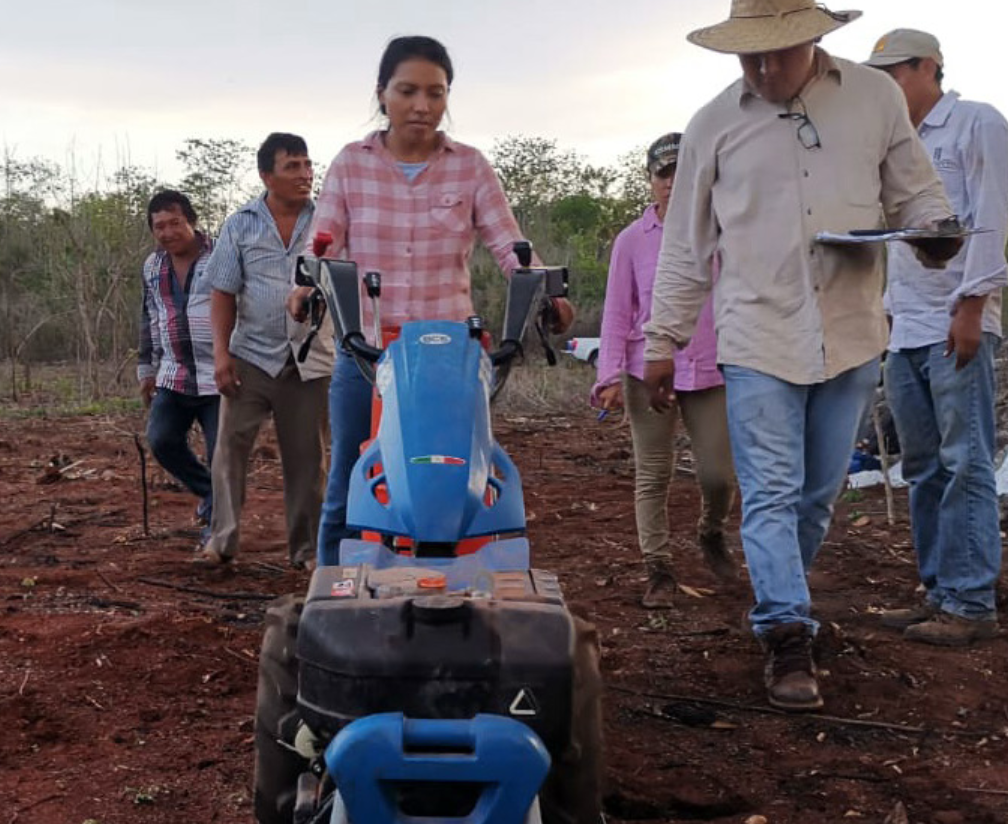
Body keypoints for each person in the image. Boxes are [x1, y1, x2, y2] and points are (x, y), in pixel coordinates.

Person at [643, 0, 961, 711]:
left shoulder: (875, 98)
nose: (761, 67)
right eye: (748, 54)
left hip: (849, 331)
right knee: (771, 493)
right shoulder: (713, 125)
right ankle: (786, 630)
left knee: (817, 497)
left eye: (776, 52)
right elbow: (686, 248)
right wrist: (662, 338)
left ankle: (780, 586)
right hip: (756, 334)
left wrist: (934, 233)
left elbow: (916, 195)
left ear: (814, 39)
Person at [299, 35, 573, 568]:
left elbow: (508, 244)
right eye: (407, 91)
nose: (421, 105)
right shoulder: (351, 165)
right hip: (369, 354)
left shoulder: (469, 166)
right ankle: (331, 594)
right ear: (382, 95)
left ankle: (466, 586)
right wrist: (304, 287)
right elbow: (321, 243)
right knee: (353, 481)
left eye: (435, 92)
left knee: (454, 475)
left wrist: (545, 292)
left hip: (448, 361)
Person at [864, 29, 1008, 647]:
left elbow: (990, 216)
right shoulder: (894, 146)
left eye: (896, 73)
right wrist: (889, 313)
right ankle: (938, 591)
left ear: (930, 67)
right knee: (922, 466)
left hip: (957, 317)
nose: (889, 86)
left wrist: (973, 305)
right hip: (907, 326)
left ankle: (971, 600)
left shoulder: (976, 124)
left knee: (965, 460)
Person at [591, 132, 737, 610]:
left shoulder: (722, 232)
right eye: (664, 174)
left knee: (718, 473)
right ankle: (659, 569)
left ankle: (710, 530)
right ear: (650, 181)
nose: (673, 183)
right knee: (653, 473)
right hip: (645, 368)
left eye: (683, 172)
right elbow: (616, 312)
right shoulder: (632, 241)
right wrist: (609, 376)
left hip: (710, 368)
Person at [200, 133, 334, 568]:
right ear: (266, 175)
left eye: (308, 165)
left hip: (308, 358)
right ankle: (221, 541)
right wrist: (221, 356)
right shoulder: (240, 224)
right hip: (251, 356)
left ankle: (307, 551)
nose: (305, 175)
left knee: (307, 459)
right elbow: (222, 292)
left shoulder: (329, 222)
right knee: (229, 449)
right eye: (292, 166)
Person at [137, 190, 219, 544]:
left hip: (221, 375)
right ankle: (211, 495)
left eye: (175, 223)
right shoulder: (152, 266)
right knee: (162, 439)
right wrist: (146, 368)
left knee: (223, 455)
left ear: (191, 221)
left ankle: (218, 529)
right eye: (159, 226)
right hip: (174, 373)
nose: (168, 232)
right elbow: (149, 316)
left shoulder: (222, 255)